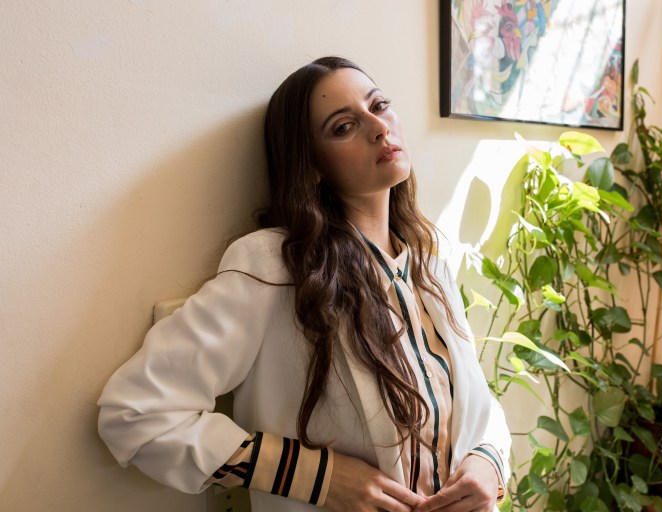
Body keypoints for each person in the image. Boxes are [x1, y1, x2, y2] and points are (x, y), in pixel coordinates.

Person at [98, 56, 512, 512]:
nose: (379, 127)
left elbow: (478, 403)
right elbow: (136, 413)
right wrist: (319, 477)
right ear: (311, 165)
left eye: (379, 105)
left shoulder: (429, 264)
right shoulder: (276, 267)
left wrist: (487, 465)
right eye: (343, 127)